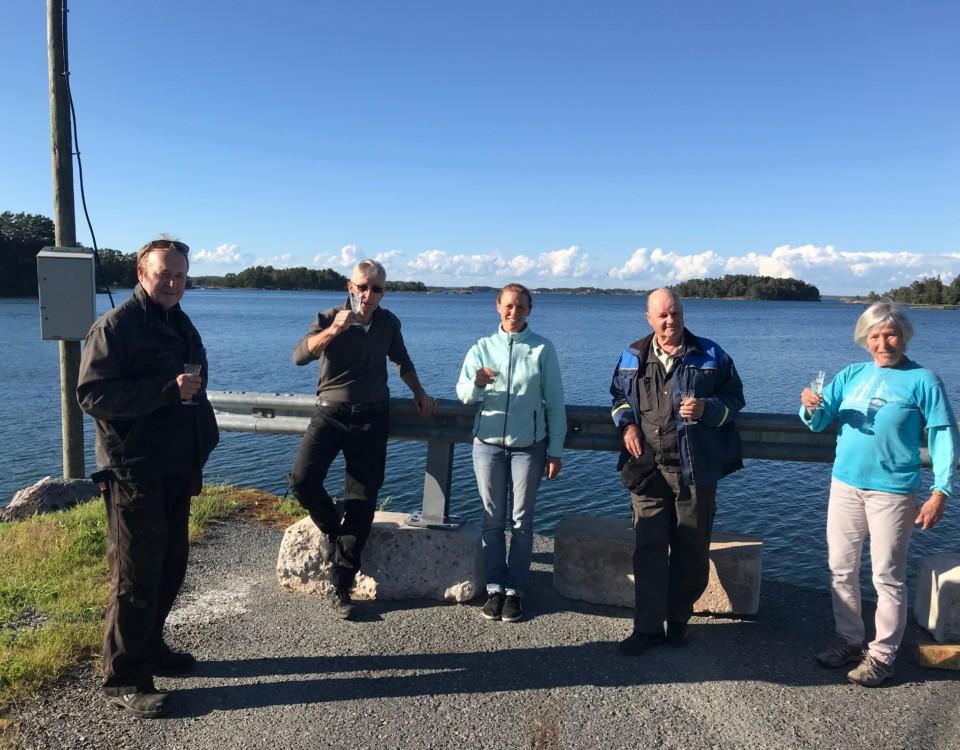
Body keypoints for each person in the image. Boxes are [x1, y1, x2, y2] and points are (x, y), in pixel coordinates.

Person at [77, 237, 219, 718]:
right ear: (142, 273)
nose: (174, 283)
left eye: (181, 276)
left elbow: (193, 390)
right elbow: (92, 394)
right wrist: (165, 390)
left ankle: (151, 646)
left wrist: (200, 445)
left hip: (176, 466)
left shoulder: (177, 321)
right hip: (134, 470)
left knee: (170, 567)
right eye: (165, 275)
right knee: (135, 579)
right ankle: (124, 678)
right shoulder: (116, 327)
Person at [800, 301, 957, 687]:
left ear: (903, 336)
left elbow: (942, 436)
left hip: (893, 491)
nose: (883, 342)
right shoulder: (852, 374)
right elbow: (820, 421)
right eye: (875, 335)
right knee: (840, 568)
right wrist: (809, 406)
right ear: (864, 339)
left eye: (890, 334)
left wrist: (941, 491)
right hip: (845, 484)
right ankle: (850, 641)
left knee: (887, 576)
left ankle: (882, 655)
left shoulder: (923, 380)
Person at [289, 259, 437, 620]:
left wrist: (419, 392)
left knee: (363, 497)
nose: (369, 295)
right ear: (350, 287)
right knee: (303, 480)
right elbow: (299, 356)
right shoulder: (329, 316)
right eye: (363, 287)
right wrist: (333, 331)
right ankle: (333, 529)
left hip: (373, 415)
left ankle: (341, 583)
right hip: (330, 412)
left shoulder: (388, 322)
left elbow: (402, 361)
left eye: (378, 289)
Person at [610, 288, 744, 655]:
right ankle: (648, 628)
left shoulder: (712, 355)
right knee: (648, 547)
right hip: (646, 468)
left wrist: (707, 409)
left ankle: (679, 620)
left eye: (676, 314)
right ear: (649, 319)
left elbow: (736, 401)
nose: (671, 322)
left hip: (695, 468)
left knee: (691, 548)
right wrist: (627, 427)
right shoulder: (632, 355)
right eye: (663, 316)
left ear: (683, 314)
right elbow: (618, 398)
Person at [456, 283, 566, 623]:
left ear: (529, 310)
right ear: (497, 307)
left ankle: (515, 589)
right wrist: (477, 382)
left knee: (521, 521)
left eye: (520, 306)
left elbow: (555, 404)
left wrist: (556, 450)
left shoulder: (542, 350)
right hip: (486, 446)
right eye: (508, 306)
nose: (513, 312)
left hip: (529, 448)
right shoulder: (482, 348)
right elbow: (463, 396)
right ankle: (493, 587)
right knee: (492, 521)